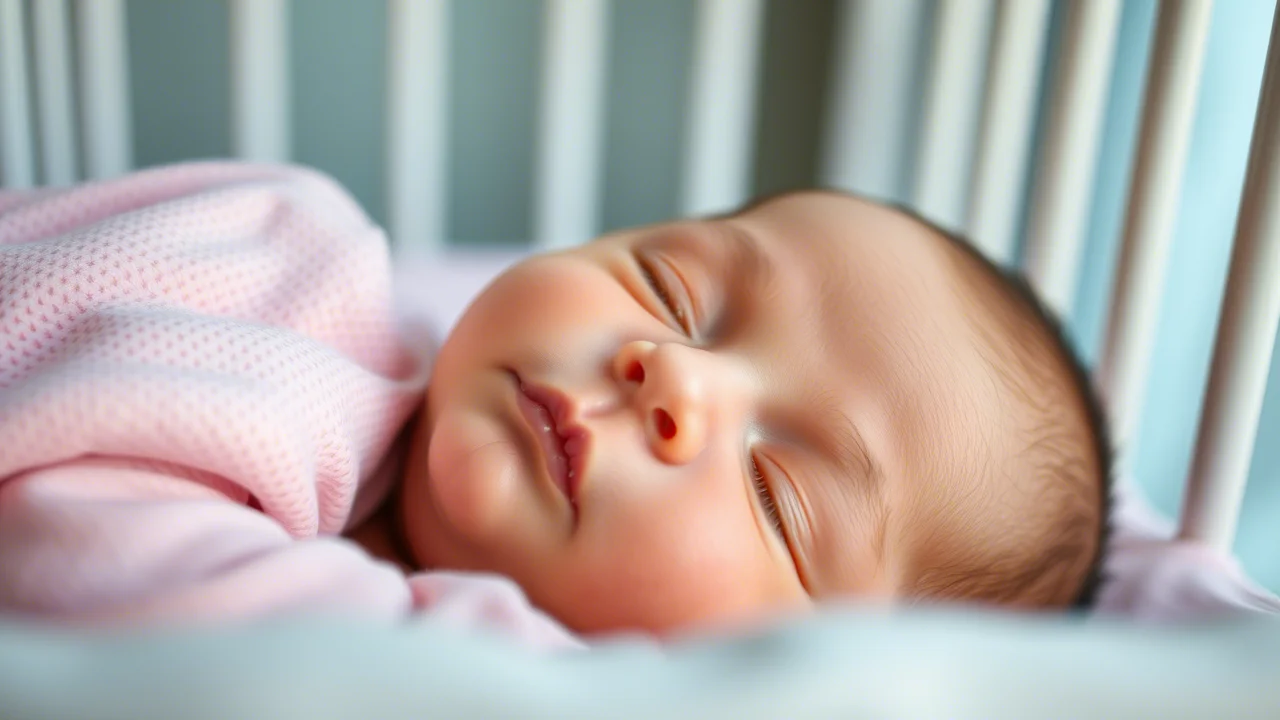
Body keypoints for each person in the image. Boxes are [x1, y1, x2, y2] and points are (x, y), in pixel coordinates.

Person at [0, 162, 1110, 643]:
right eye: (671, 290)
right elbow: (66, 562)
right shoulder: (291, 297)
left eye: (778, 495)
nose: (670, 372)